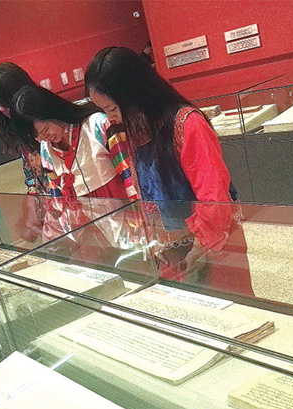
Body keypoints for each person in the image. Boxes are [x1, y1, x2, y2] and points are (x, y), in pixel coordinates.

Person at [85, 46, 253, 295]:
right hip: (170, 250)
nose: (110, 119)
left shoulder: (186, 123)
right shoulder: (137, 131)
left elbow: (214, 196)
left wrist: (199, 249)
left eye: (112, 109)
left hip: (208, 247)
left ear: (134, 95)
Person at [11, 84, 137, 199]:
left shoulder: (98, 126)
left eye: (46, 130)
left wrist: (136, 208)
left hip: (120, 208)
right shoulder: (46, 150)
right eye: (36, 136)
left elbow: (129, 173)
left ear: (52, 112)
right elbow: (57, 196)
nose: (44, 138)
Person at [0, 62, 49, 195]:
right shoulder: (19, 129)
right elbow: (31, 177)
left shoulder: (47, 122)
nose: (1, 109)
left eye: (5, 102)